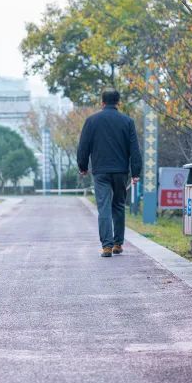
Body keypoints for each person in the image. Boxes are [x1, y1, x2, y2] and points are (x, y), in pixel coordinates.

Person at [77, 89, 142, 257]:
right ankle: (118, 243)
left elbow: (83, 146)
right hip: (121, 171)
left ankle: (106, 246)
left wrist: (82, 166)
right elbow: (134, 149)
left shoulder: (91, 121)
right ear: (118, 103)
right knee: (119, 206)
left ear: (102, 102)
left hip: (100, 171)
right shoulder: (127, 121)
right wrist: (136, 172)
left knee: (104, 207)